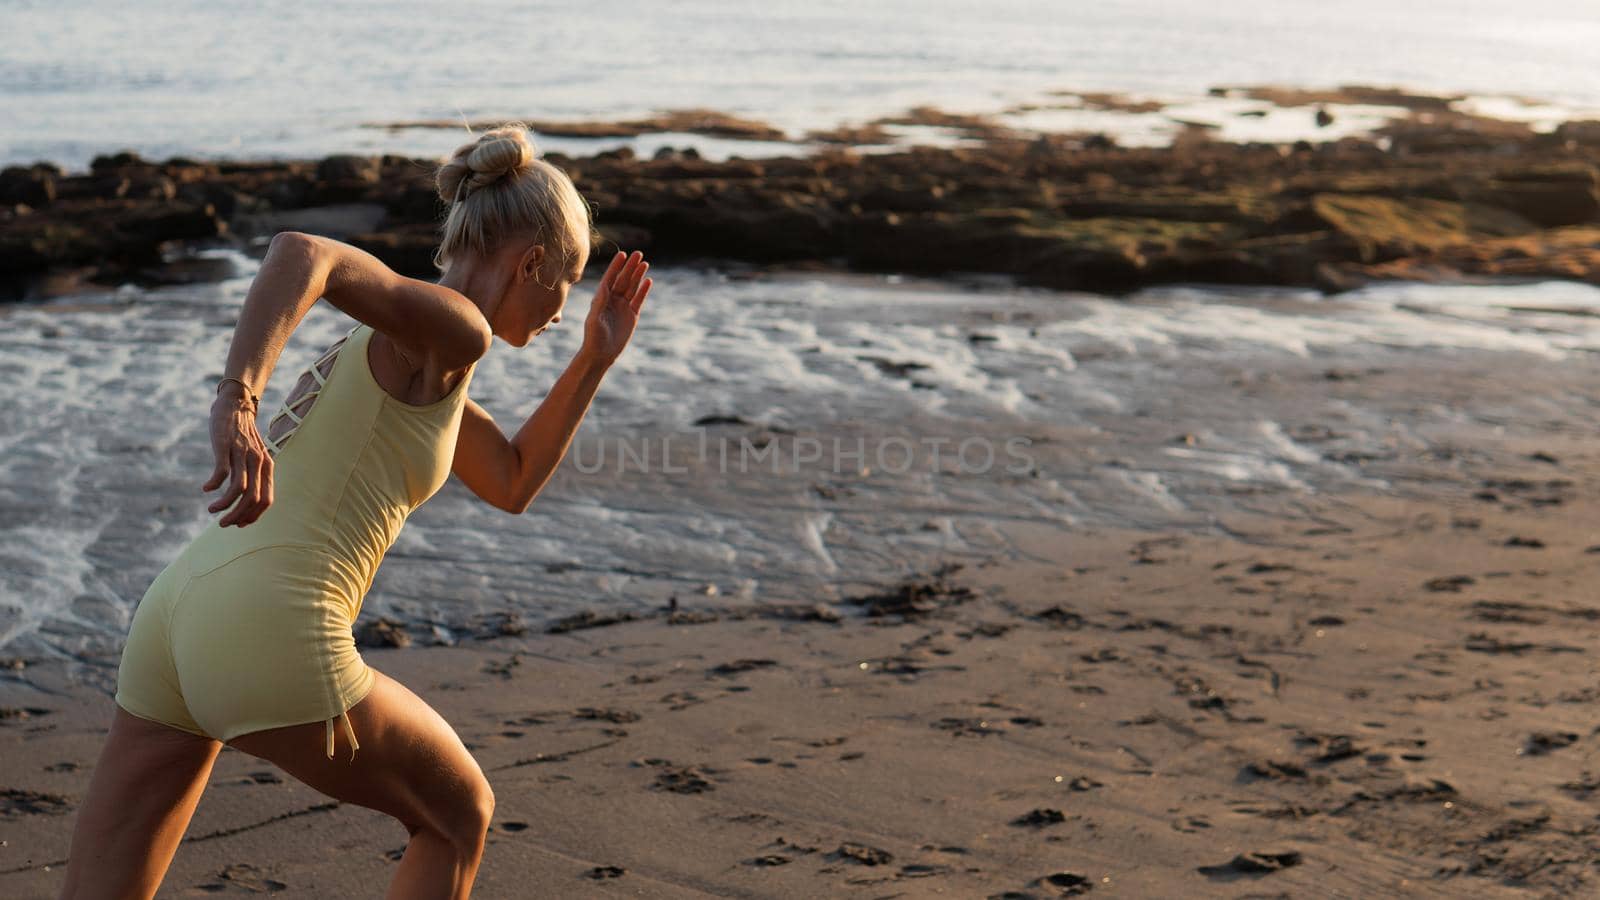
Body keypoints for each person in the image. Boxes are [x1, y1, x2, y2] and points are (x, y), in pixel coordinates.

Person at [57, 123, 653, 900]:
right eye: (566, 282)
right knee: (459, 814)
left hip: (177, 614)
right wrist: (237, 400)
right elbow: (304, 252)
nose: (559, 310)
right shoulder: (457, 331)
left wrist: (593, 356)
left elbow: (511, 481)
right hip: (274, 622)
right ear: (533, 262)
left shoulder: (415, 348)